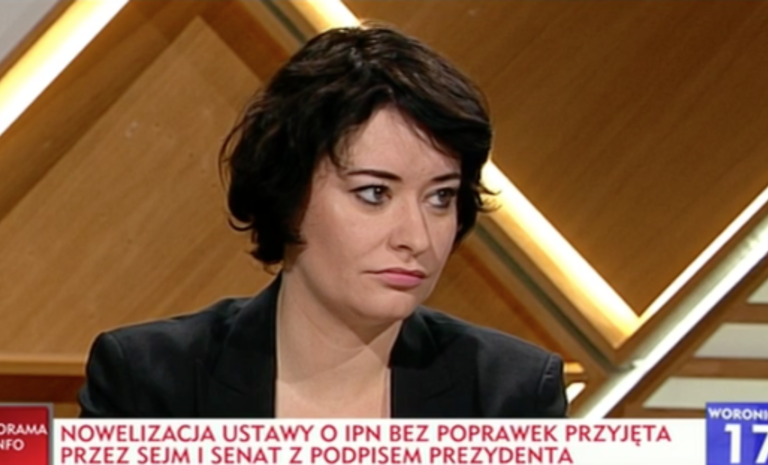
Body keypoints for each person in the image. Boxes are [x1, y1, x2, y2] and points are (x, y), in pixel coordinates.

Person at [78, 24, 568, 418]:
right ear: (287, 193)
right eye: (374, 193)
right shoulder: (150, 380)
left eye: (441, 197)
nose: (417, 238)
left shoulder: (510, 394)